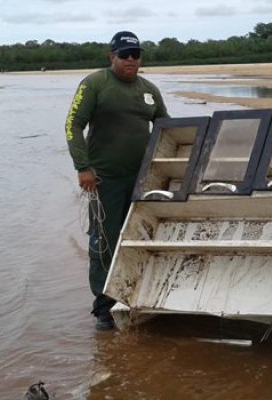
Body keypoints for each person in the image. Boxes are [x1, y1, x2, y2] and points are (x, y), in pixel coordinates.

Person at [65, 31, 169, 330]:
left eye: (136, 54)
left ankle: (137, 291)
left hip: (143, 179)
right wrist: (83, 167)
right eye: (124, 54)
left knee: (139, 235)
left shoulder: (149, 89)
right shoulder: (95, 83)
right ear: (111, 56)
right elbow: (73, 124)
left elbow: (165, 125)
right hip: (104, 179)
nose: (131, 60)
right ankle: (104, 306)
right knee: (104, 241)